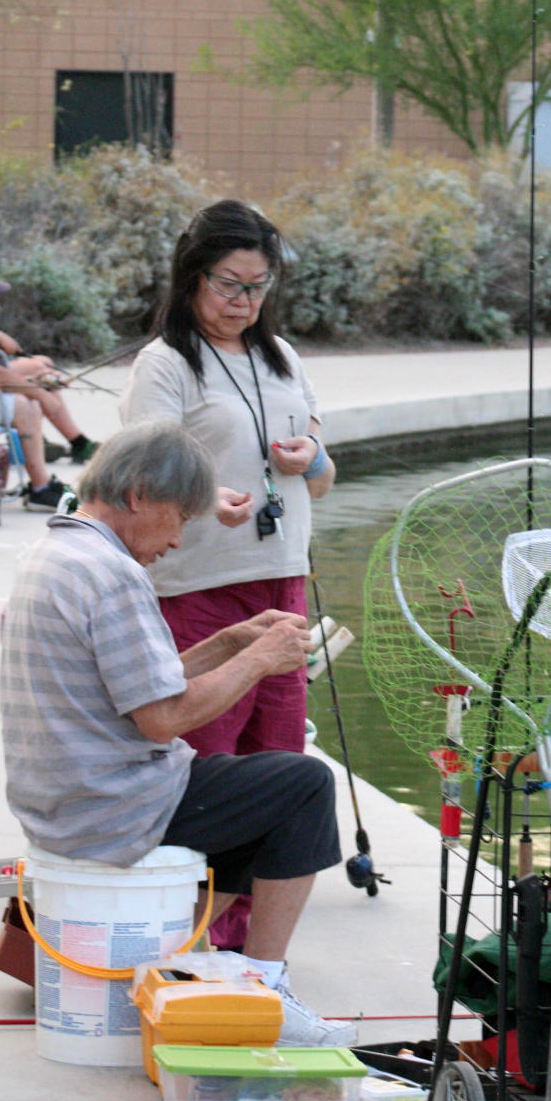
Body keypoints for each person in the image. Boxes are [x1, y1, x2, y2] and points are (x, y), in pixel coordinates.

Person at [0, 420, 354, 1046]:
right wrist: (260, 659)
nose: (179, 538)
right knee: (302, 785)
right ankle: (265, 986)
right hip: (110, 805)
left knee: (253, 802)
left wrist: (228, 641)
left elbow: (132, 687)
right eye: (179, 518)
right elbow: (162, 718)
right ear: (138, 496)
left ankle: (173, 968)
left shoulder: (55, 552)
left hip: (64, 795)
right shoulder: (112, 574)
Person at [120, 200, 336, 945]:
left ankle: (243, 937)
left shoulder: (281, 358)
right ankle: (188, 928)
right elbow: (139, 474)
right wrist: (204, 496)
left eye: (257, 286)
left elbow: (323, 472)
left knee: (278, 755)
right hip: (200, 589)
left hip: (282, 579)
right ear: (192, 278)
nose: (243, 303)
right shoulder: (166, 363)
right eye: (228, 285)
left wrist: (311, 460)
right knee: (206, 763)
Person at [0, 262, 97, 506]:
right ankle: (41, 488)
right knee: (25, 404)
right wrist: (39, 394)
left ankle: (56, 465)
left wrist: (32, 383)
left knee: (29, 387)